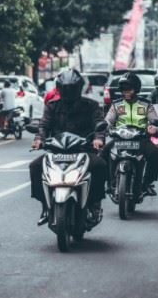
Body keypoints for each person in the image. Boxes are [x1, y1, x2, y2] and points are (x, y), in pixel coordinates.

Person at [29, 69, 107, 226]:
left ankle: (94, 204)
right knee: (35, 166)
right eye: (65, 88)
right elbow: (44, 125)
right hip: (57, 151)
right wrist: (39, 139)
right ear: (59, 88)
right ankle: (45, 206)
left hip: (83, 151)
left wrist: (98, 139)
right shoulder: (52, 106)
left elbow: (99, 124)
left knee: (100, 165)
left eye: (71, 89)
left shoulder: (91, 105)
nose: (68, 92)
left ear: (78, 88)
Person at [103, 72, 158, 197]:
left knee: (156, 155)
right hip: (119, 139)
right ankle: (109, 183)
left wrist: (153, 127)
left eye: (129, 88)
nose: (126, 91)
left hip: (140, 140)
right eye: (123, 89)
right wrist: (105, 127)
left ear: (136, 89)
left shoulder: (146, 104)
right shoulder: (116, 104)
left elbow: (155, 120)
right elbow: (108, 120)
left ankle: (147, 183)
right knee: (102, 154)